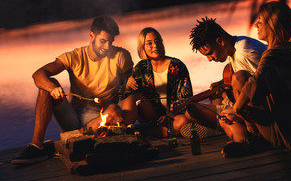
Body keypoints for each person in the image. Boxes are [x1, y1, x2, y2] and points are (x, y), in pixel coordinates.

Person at [12, 15, 134, 165]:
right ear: (91, 35)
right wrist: (52, 88)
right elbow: (38, 75)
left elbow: (132, 88)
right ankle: (37, 146)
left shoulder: (121, 56)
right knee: (47, 84)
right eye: (103, 41)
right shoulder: (75, 57)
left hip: (101, 120)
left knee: (114, 109)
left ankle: (68, 140)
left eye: (111, 41)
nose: (107, 47)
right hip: (72, 117)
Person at [219, 1, 291, 157]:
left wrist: (237, 110)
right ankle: (254, 137)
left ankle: (254, 139)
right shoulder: (290, 51)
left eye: (260, 21)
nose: (256, 25)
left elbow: (253, 86)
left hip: (290, 136)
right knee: (242, 91)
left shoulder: (273, 56)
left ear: (272, 25)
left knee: (240, 77)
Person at [182, 17, 266, 137]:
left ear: (220, 42)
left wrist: (236, 113)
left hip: (256, 112)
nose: (209, 59)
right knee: (192, 111)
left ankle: (240, 131)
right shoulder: (234, 48)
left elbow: (263, 85)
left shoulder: (245, 52)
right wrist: (222, 84)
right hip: (241, 107)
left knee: (220, 113)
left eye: (209, 53)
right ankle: (221, 127)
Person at [120, 27, 193, 137]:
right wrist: (127, 86)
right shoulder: (141, 67)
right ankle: (123, 130)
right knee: (131, 97)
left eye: (157, 41)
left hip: (174, 115)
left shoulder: (177, 65)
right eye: (149, 43)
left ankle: (143, 132)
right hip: (151, 115)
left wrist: (169, 115)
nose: (155, 46)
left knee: (183, 122)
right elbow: (125, 97)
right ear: (142, 47)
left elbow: (186, 99)